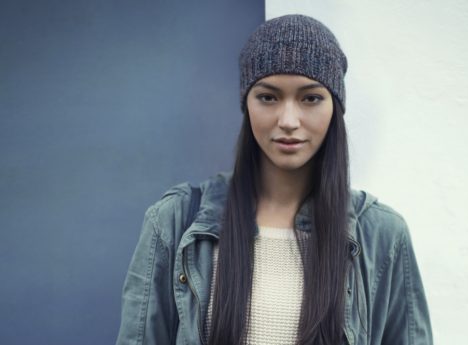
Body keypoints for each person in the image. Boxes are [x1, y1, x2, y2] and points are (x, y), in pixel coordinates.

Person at [115, 14, 433, 345]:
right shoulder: (174, 222)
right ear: (247, 104)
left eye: (310, 98)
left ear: (334, 107)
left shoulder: (383, 235)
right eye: (268, 97)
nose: (289, 120)